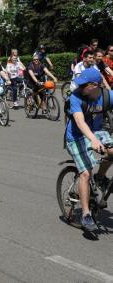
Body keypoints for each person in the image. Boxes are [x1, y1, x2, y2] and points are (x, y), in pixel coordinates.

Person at [65, 68, 113, 231]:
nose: (79, 87)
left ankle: (100, 177)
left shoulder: (107, 96)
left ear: (95, 85)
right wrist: (92, 139)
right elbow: (79, 121)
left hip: (98, 132)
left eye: (83, 85)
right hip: (77, 136)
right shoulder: (76, 96)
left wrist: (95, 137)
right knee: (85, 173)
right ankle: (86, 214)